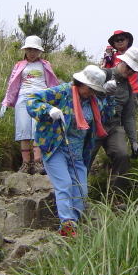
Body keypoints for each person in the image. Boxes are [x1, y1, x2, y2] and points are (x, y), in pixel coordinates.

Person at [26, 65, 116, 237]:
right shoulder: (62, 92)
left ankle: (72, 224)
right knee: (65, 185)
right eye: (89, 88)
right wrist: (48, 110)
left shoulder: (93, 101)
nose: (91, 93)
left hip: (78, 154)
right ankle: (67, 226)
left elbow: (106, 115)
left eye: (94, 90)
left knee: (82, 192)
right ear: (80, 82)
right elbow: (31, 100)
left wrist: (110, 97)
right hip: (56, 148)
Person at [91, 46, 138, 210]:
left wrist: (134, 141)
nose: (129, 71)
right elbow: (84, 95)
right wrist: (103, 92)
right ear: (121, 61)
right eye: (128, 66)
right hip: (94, 123)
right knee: (85, 157)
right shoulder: (102, 74)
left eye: (133, 70)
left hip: (114, 126)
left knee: (122, 154)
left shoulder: (128, 88)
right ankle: (77, 194)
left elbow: (128, 116)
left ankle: (115, 197)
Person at [0, 35, 59, 175]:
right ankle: (25, 163)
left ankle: (38, 161)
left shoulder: (45, 64)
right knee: (23, 130)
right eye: (29, 50)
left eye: (35, 50)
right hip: (23, 99)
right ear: (25, 50)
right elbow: (12, 85)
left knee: (37, 129)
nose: (32, 53)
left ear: (39, 51)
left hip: (40, 98)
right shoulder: (20, 65)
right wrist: (6, 102)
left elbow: (53, 83)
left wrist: (57, 101)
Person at [108, 30, 138, 102]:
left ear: (127, 40)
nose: (120, 42)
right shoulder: (111, 58)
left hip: (135, 91)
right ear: (114, 43)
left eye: (122, 39)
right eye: (117, 40)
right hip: (117, 92)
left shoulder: (136, 56)